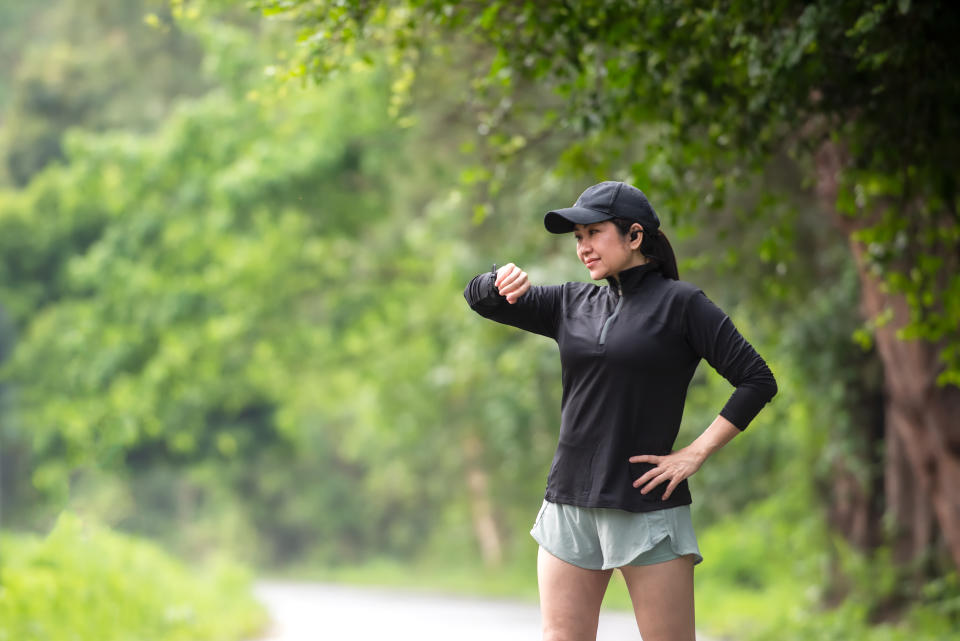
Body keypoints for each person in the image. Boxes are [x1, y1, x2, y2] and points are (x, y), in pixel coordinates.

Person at [463, 181, 778, 641]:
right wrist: (496, 281)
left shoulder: (683, 305)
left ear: (634, 236)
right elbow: (480, 300)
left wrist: (696, 452)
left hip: (645, 507)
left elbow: (757, 379)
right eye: (578, 239)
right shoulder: (571, 303)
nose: (583, 248)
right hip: (568, 504)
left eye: (593, 233)